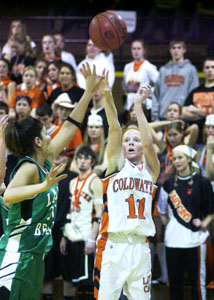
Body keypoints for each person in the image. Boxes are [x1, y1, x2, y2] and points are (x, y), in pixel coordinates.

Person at [0, 63, 105, 300]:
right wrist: (44, 186)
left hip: (35, 256)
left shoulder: (44, 161)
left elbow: (70, 126)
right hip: (18, 255)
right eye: (46, 134)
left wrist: (88, 92)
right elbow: (8, 195)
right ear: (38, 141)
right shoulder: (28, 168)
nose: (52, 136)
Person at [94, 76, 160, 300]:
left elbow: (150, 142)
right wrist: (107, 96)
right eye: (127, 140)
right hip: (114, 246)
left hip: (141, 248)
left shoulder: (151, 171)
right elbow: (114, 128)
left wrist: (139, 106)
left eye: (136, 139)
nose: (131, 142)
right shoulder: (115, 165)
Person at [158, 145, 214, 300]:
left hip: (195, 241)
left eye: (180, 157)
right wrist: (170, 225)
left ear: (189, 159)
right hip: (173, 242)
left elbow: (211, 210)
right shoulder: (168, 184)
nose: (177, 161)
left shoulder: (202, 182)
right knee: (174, 285)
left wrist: (204, 223)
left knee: (197, 285)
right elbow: (162, 211)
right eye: (174, 158)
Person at [60, 146, 103, 300]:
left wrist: (92, 238)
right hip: (73, 236)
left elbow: (100, 212)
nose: (82, 161)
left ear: (92, 161)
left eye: (86, 158)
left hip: (87, 237)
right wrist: (64, 236)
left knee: (88, 282)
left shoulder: (95, 181)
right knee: (75, 281)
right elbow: (70, 213)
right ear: (76, 160)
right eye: (80, 158)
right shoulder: (72, 182)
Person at [41, 152, 78, 300]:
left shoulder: (74, 177)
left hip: (67, 231)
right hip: (46, 230)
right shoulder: (41, 176)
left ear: (67, 158)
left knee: (69, 275)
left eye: (62, 156)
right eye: (54, 156)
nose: (58, 159)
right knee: (46, 274)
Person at [151, 40, 199, 121]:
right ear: (170, 50)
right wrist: (155, 116)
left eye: (179, 48)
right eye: (174, 48)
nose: (176, 50)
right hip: (163, 115)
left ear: (184, 50)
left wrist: (188, 113)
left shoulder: (191, 70)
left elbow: (194, 95)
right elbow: (156, 95)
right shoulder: (163, 70)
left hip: (182, 116)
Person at [121, 39, 159, 123]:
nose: (136, 51)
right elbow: (124, 86)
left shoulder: (149, 67)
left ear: (144, 50)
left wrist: (147, 92)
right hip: (129, 106)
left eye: (138, 49)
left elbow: (159, 85)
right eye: (134, 49)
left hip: (144, 105)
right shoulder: (127, 67)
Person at [182, 57, 214, 146]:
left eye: (212, 67)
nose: (210, 70)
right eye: (207, 68)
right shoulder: (195, 91)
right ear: (203, 70)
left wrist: (195, 110)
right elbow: (184, 112)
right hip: (196, 139)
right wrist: (209, 113)